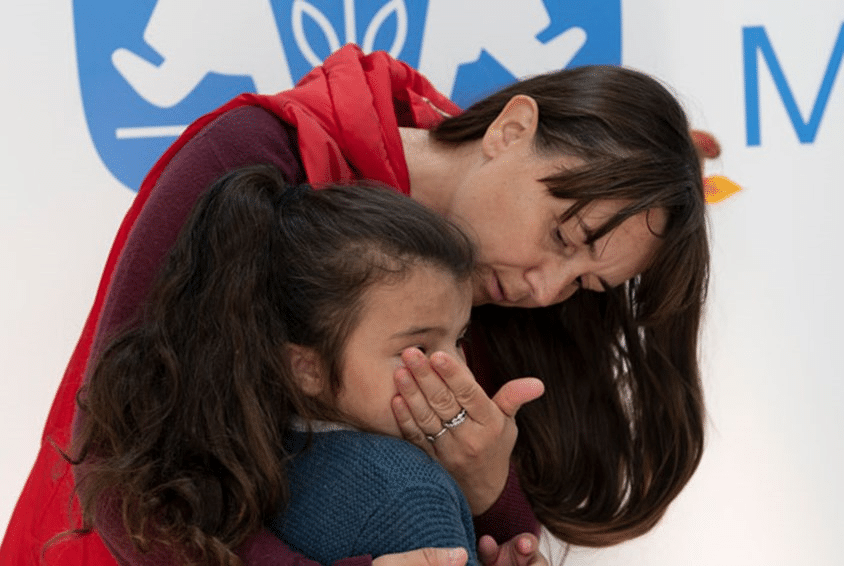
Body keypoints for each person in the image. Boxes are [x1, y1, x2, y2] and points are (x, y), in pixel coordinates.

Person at [1, 44, 710, 566]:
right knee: (402, 495)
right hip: (116, 547)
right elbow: (117, 462)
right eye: (564, 235)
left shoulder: (499, 282)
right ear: (510, 130)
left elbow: (500, 536)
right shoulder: (258, 155)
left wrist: (490, 486)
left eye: (587, 283)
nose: (546, 288)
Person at [72, 166, 490, 566]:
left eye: (458, 340)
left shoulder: (247, 460)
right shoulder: (410, 493)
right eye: (416, 348)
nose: (453, 372)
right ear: (305, 369)